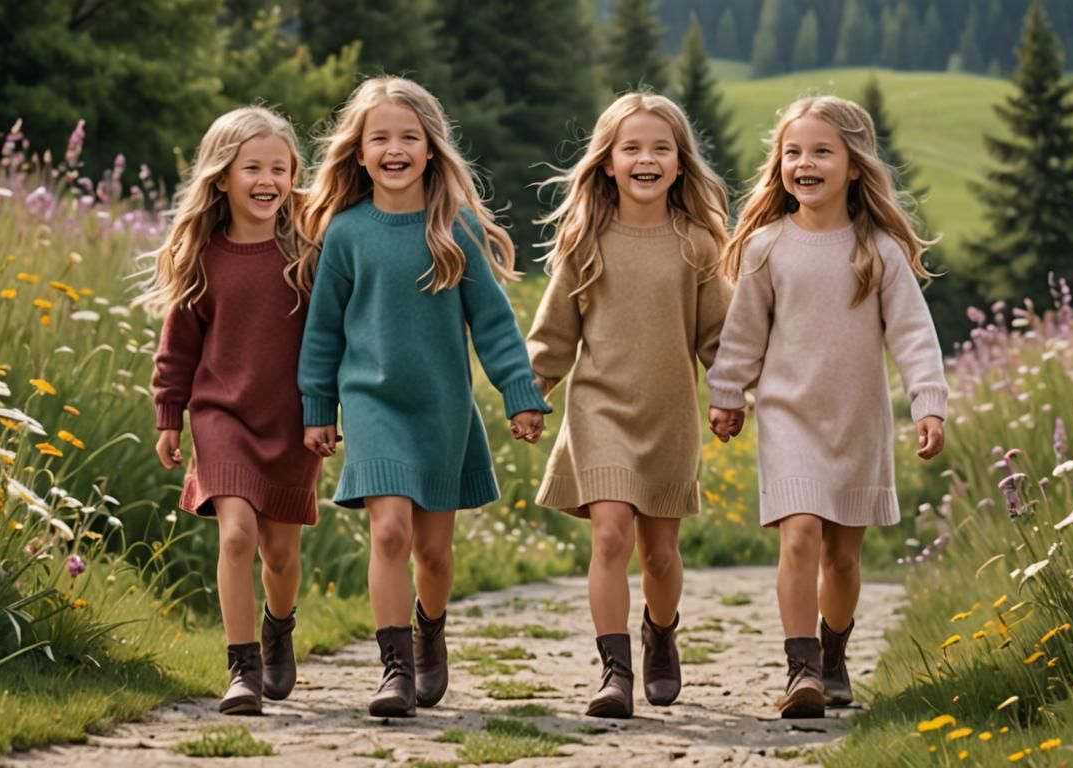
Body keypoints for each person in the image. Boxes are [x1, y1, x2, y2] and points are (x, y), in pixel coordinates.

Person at [296, 76, 551, 718]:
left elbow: (493, 323)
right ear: (359, 153)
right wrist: (317, 408)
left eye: (409, 137)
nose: (394, 149)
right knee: (389, 535)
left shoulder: (453, 229)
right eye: (379, 137)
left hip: (443, 412)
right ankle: (394, 671)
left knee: (434, 552)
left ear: (431, 150)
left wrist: (520, 394)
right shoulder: (347, 233)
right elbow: (323, 329)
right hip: (373, 405)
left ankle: (428, 633)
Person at [706, 95, 947, 718]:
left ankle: (834, 658)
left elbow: (914, 335)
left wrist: (929, 404)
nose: (803, 163)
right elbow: (742, 334)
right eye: (792, 152)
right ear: (778, 164)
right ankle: (802, 669)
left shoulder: (878, 251)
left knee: (842, 555)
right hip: (788, 415)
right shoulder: (765, 247)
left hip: (858, 421)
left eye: (820, 151)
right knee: (801, 536)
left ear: (853, 165)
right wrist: (727, 395)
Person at [526, 92, 733, 719]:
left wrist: (728, 392)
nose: (646, 158)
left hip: (670, 417)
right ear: (609, 162)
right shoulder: (584, 238)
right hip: (600, 412)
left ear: (679, 163)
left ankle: (660, 633)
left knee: (660, 554)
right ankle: (614, 672)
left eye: (660, 148)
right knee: (611, 536)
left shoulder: (697, 243)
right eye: (632, 148)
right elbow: (554, 333)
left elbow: (716, 337)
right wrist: (530, 392)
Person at [142, 106, 321, 715]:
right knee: (238, 534)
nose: (268, 179)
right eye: (253, 168)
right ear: (223, 178)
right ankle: (242, 668)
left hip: (291, 422)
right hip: (220, 415)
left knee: (281, 555)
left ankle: (279, 623)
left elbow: (333, 337)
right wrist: (169, 412)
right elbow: (178, 346)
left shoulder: (309, 254)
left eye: (280, 167)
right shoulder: (204, 258)